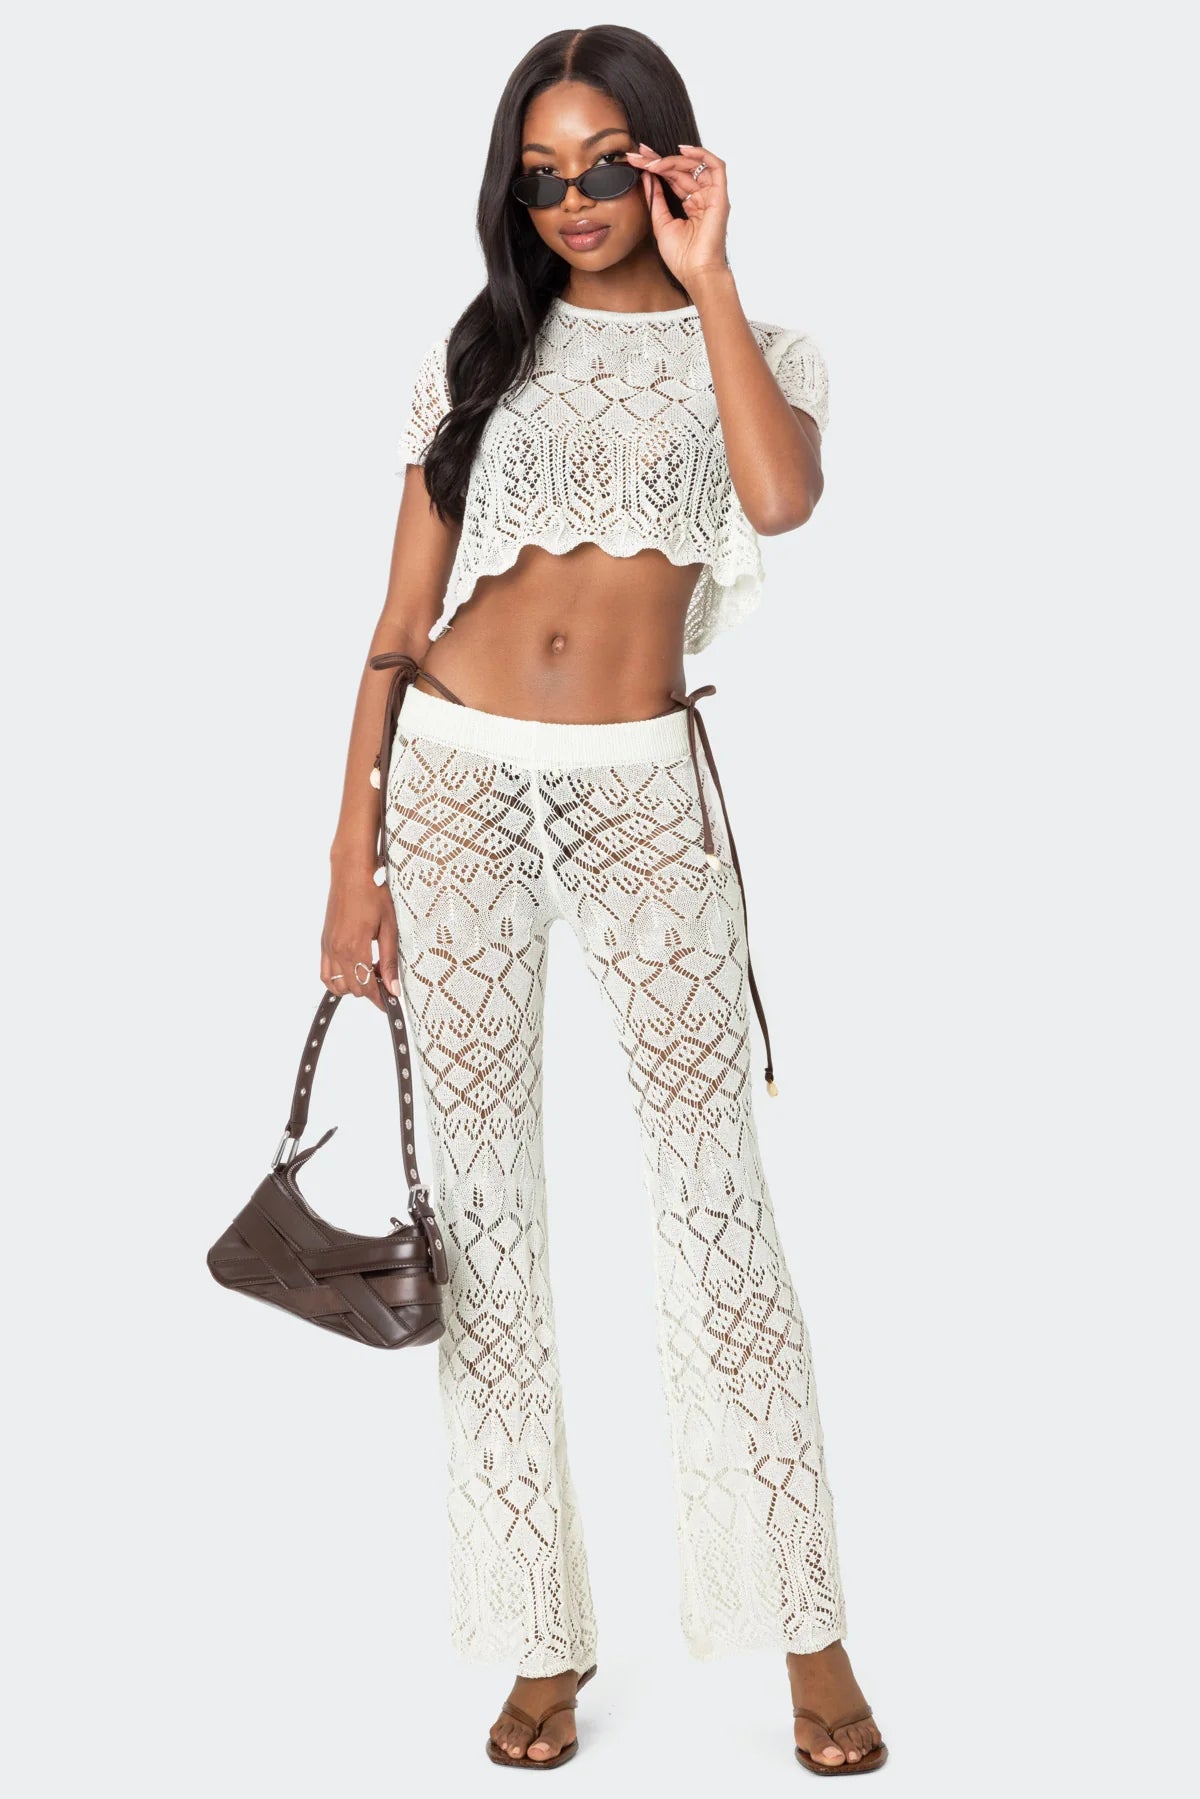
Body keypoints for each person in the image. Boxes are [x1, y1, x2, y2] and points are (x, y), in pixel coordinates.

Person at [321, 23, 887, 1777]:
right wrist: (350, 861)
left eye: (602, 167)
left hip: (646, 798)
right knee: (485, 1218)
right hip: (455, 782)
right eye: (540, 175)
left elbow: (782, 497)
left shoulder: (758, 347)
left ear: (664, 163)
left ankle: (809, 1633)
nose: (572, 202)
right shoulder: (481, 354)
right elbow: (397, 624)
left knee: (719, 1214)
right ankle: (541, 1637)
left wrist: (712, 278)